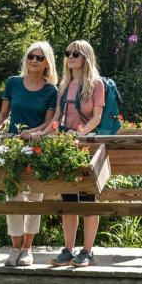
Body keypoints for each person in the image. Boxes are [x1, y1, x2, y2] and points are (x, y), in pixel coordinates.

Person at [32, 40, 104, 267]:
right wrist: (42, 134)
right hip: (66, 145)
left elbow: (97, 118)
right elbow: (56, 118)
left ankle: (87, 251)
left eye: (76, 53)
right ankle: (68, 250)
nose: (70, 56)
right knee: (68, 197)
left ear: (86, 57)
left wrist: (79, 134)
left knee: (88, 198)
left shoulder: (96, 83)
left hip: (86, 145)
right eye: (68, 53)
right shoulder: (64, 84)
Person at [0, 41, 58, 266]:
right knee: (13, 195)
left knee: (35, 197)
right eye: (31, 56)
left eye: (39, 57)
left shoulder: (51, 90)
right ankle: (14, 248)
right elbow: (4, 114)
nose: (34, 61)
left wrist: (32, 132)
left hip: (36, 146)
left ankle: (28, 248)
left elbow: (48, 123)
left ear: (47, 62)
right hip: (12, 147)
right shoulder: (13, 83)